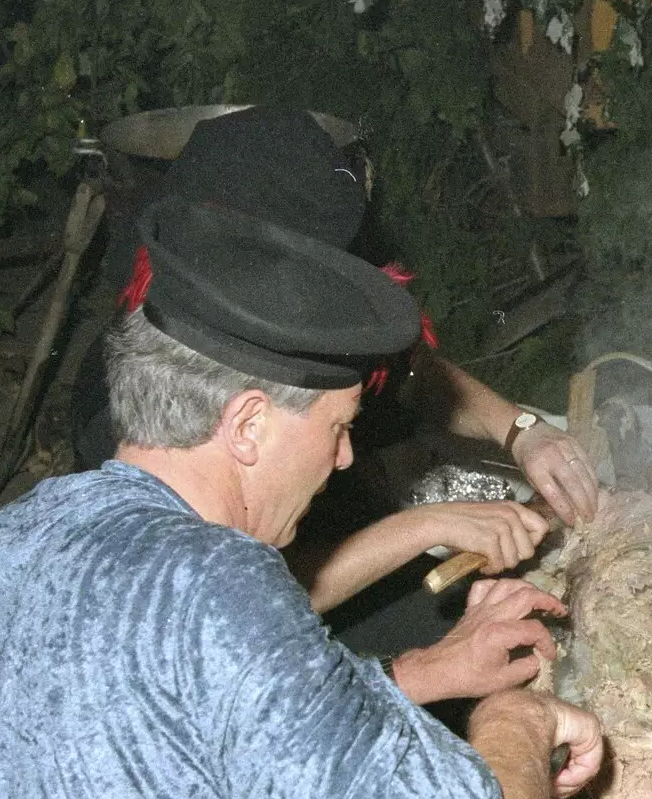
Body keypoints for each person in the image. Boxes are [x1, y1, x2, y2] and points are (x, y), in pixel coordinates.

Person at [0, 196, 604, 799]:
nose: (346, 459)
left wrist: (420, 671)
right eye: (339, 425)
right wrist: (518, 720)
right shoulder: (218, 585)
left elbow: (196, 744)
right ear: (246, 426)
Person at [70, 106, 597, 623]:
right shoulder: (136, 413)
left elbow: (414, 378)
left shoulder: (289, 315)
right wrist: (427, 526)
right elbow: (250, 601)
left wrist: (522, 430)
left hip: (331, 528)